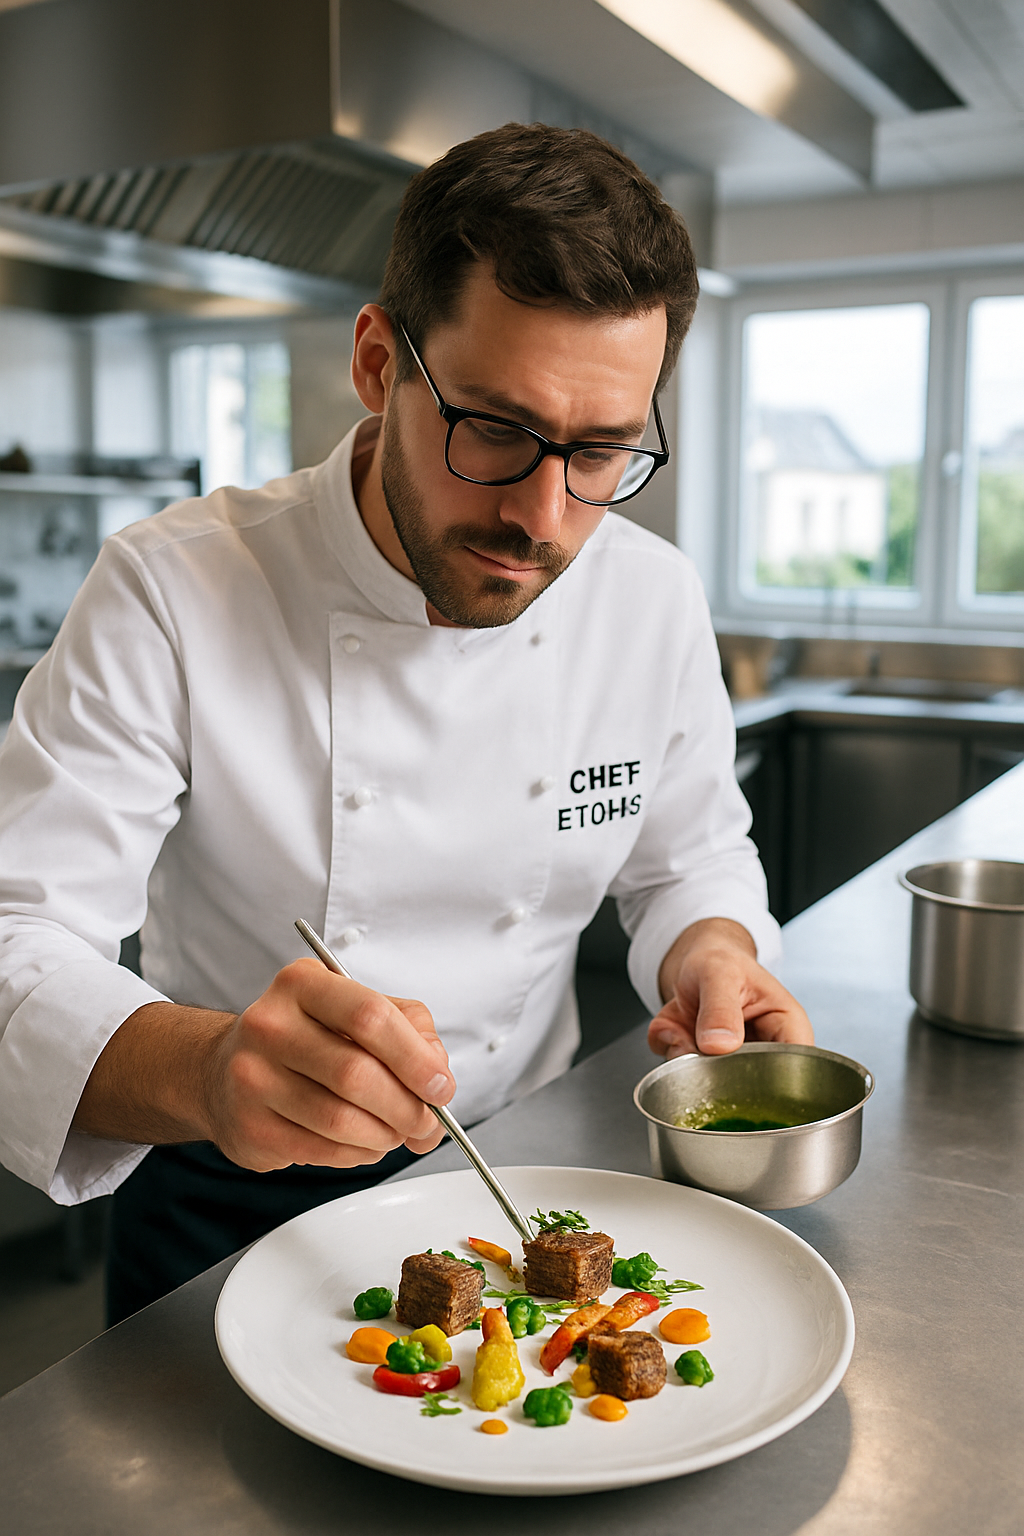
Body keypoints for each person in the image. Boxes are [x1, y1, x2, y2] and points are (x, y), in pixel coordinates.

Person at [0, 123, 811, 1323]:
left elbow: (687, 856)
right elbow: (16, 936)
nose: (542, 515)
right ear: (379, 364)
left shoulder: (650, 598)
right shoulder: (173, 587)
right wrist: (218, 1071)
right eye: (492, 426)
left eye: (598, 451)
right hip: (230, 1206)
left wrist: (715, 957)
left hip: (523, 1189)